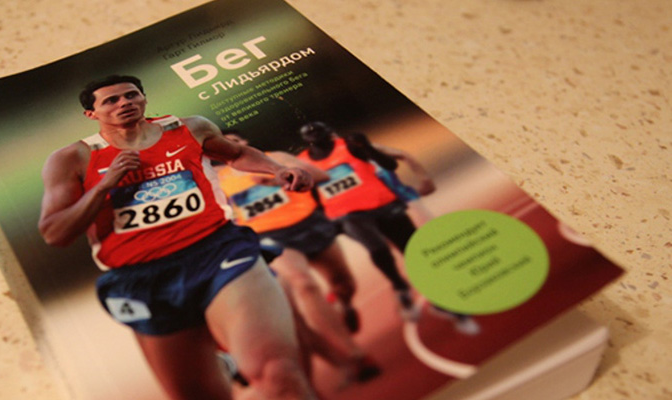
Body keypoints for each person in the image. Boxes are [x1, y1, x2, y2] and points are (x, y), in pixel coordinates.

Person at [38, 75, 318, 400]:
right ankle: (221, 364)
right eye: (111, 100)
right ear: (92, 114)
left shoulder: (189, 128)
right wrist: (105, 184)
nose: (124, 103)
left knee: (277, 373)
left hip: (218, 250)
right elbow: (56, 233)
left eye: (131, 95)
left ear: (144, 98)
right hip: (143, 278)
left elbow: (236, 154)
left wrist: (276, 169)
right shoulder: (72, 159)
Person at [216, 132, 380, 384]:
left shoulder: (275, 159)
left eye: (234, 141)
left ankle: (343, 304)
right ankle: (354, 354)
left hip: (309, 224)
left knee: (343, 283)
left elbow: (322, 176)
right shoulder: (216, 178)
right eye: (223, 144)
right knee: (304, 284)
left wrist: (278, 180)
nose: (229, 146)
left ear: (244, 143)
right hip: (269, 236)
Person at [297, 122, 479, 335]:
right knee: (378, 249)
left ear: (330, 133)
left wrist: (368, 148)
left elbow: (392, 162)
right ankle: (399, 286)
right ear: (308, 142)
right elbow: (309, 195)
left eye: (324, 134)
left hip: (384, 205)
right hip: (349, 215)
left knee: (416, 252)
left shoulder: (351, 145)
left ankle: (443, 302)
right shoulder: (301, 163)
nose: (321, 140)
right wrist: (324, 218)